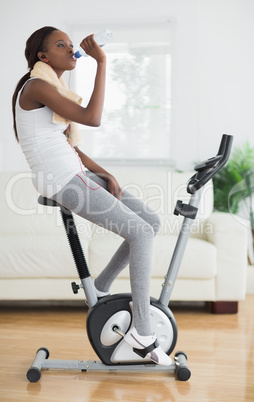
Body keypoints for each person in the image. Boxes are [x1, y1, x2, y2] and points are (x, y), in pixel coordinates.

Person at [12, 26, 172, 366]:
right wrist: (101, 62)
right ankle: (143, 333)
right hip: (61, 179)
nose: (71, 49)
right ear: (43, 57)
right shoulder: (37, 86)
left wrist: (105, 173)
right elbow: (93, 118)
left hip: (75, 172)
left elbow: (70, 145)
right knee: (139, 233)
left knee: (150, 222)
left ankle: (100, 287)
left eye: (72, 45)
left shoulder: (55, 87)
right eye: (61, 45)